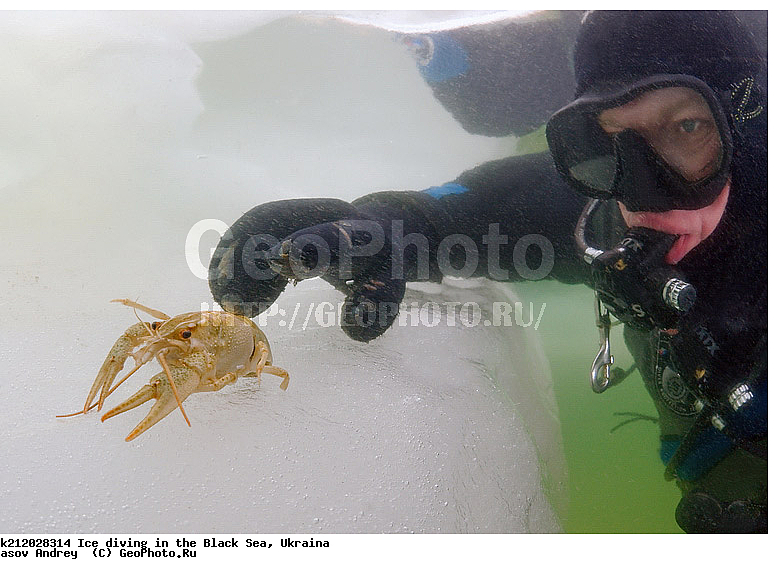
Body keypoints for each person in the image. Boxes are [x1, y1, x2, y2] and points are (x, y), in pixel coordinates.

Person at [208, 11, 767, 533]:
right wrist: (374, 228)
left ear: (749, 119)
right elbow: (462, 216)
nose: (643, 186)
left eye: (689, 126)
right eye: (607, 139)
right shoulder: (605, 211)